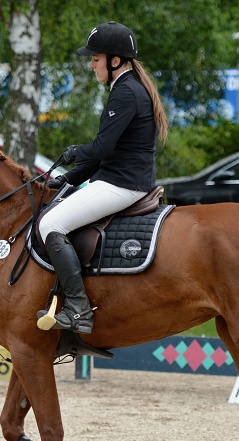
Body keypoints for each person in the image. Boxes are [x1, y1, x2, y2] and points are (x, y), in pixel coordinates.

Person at [37, 21, 168, 334]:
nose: (90, 64)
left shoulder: (125, 92)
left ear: (115, 61)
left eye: (95, 59)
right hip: (118, 178)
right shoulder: (130, 87)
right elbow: (105, 155)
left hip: (122, 185)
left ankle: (79, 308)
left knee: (50, 224)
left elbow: (101, 148)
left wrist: (74, 152)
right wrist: (67, 180)